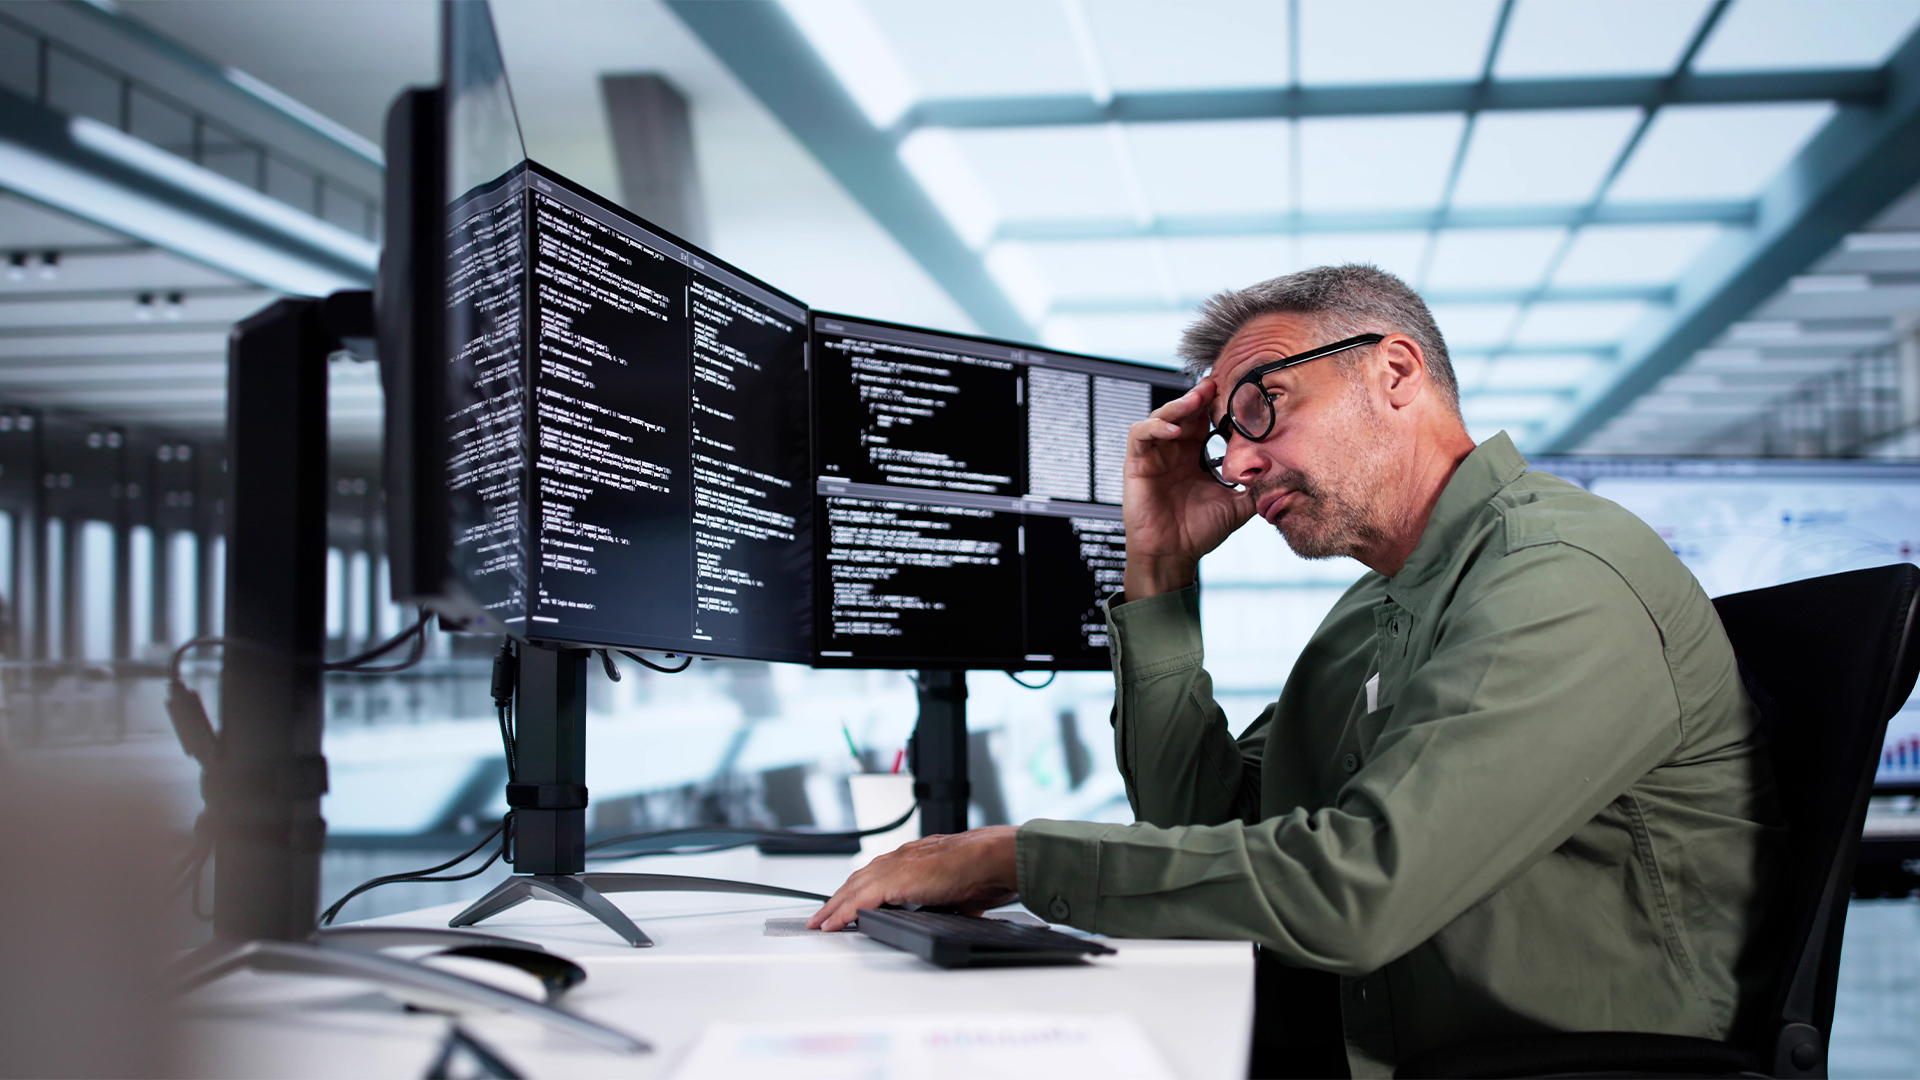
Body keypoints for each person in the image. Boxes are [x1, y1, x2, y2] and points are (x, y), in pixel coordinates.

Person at [809, 265, 1782, 1078]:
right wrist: (1161, 568)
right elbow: (1204, 821)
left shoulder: (1560, 577)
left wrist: (1018, 858)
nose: (1234, 464)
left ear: (1395, 372)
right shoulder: (1378, 605)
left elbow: (1362, 889)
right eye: (1225, 436)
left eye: (1260, 408)